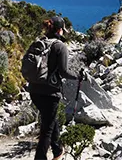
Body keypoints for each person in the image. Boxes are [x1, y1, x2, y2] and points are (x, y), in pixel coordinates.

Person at [28, 16, 84, 160]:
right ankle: (40, 158)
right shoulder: (60, 46)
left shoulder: (40, 42)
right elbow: (64, 71)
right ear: (60, 30)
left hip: (34, 90)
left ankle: (57, 151)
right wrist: (78, 76)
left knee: (50, 120)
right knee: (47, 129)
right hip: (50, 93)